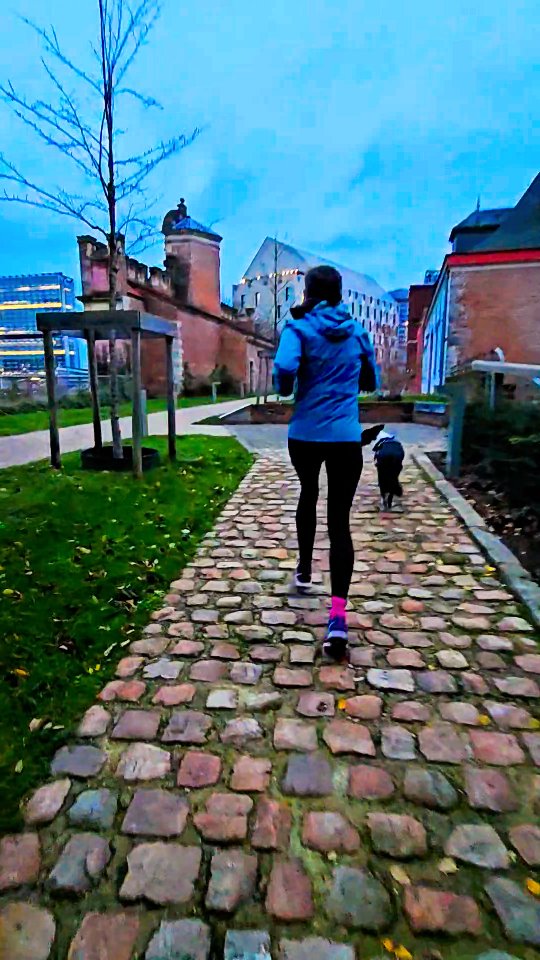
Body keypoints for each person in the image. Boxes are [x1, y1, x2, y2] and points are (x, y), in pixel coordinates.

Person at [273, 265, 377, 661]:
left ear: (309, 291)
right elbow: (371, 378)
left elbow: (284, 369)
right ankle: (336, 618)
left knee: (308, 493)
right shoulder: (357, 332)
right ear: (339, 293)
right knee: (340, 521)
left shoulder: (297, 328)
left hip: (304, 434)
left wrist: (287, 386)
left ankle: (303, 569)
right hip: (346, 438)